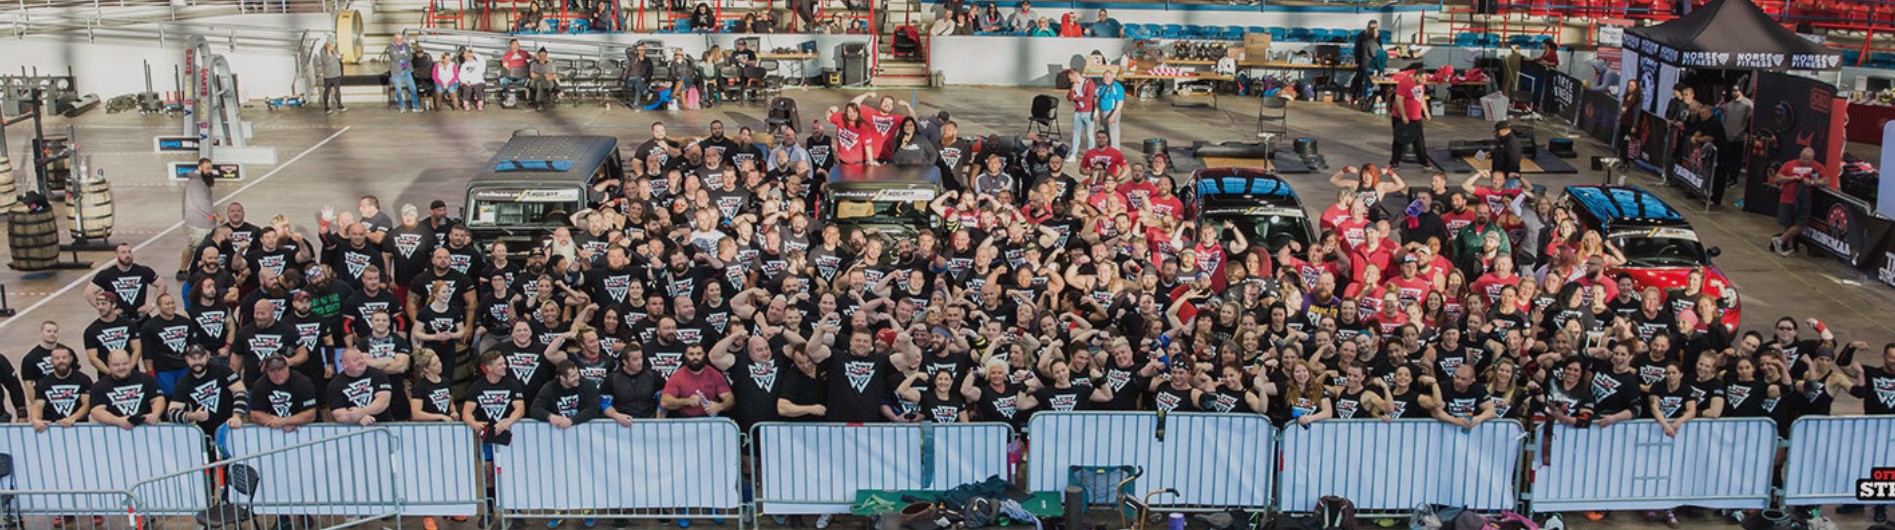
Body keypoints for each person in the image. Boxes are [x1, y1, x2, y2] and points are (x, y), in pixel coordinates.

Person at [88, 349, 167, 430]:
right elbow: (97, 411)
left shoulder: (147, 379)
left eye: (125, 363)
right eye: (116, 365)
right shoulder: (99, 386)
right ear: (109, 365)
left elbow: (158, 399)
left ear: (130, 362)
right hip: (114, 431)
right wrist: (117, 421)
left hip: (147, 429)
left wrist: (155, 414)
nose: (121, 367)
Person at [1770, 147, 1824, 256]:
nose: (1805, 161)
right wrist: (1791, 178)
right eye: (1804, 158)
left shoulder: (1817, 167)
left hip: (1804, 201)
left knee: (1801, 224)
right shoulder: (1789, 164)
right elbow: (1778, 178)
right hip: (1787, 198)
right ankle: (1790, 247)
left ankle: (1780, 240)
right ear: (1800, 156)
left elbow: (1825, 181)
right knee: (1788, 224)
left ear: (1812, 158)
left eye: (1808, 159)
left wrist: (1812, 182)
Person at [89, 242, 163, 318]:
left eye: (129, 252)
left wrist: (153, 304)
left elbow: (162, 285)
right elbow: (89, 293)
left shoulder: (143, 271)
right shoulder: (106, 274)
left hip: (140, 318)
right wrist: (106, 309)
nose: (127, 255)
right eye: (123, 252)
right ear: (117, 255)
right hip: (118, 319)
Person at [28, 345, 90, 432]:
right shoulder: (43, 383)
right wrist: (35, 419)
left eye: (64, 357)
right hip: (51, 429)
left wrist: (72, 419)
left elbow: (87, 404)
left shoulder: (83, 379)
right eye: (57, 358)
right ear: (51, 361)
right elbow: (38, 405)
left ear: (71, 359)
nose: (61, 361)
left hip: (78, 428)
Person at [660, 344, 733, 418]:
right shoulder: (677, 376)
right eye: (691, 354)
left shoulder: (715, 374)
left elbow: (730, 399)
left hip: (710, 419)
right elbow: (665, 401)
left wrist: (719, 406)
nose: (695, 357)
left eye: (699, 354)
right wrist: (687, 401)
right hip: (685, 420)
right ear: (685, 356)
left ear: (704, 355)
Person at [178, 158, 220, 282]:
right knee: (197, 247)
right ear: (199, 168)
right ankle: (185, 271)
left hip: (197, 219)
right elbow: (203, 204)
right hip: (199, 221)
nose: (209, 171)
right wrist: (214, 216)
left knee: (193, 245)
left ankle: (183, 270)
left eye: (210, 168)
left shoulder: (198, 181)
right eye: (207, 168)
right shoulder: (197, 184)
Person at [1389, 63, 1435, 170]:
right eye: (1422, 79)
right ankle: (1394, 162)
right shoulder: (1405, 83)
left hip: (1416, 116)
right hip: (1400, 116)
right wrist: (1403, 115)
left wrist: (1426, 112)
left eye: (1425, 79)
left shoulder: (1421, 84)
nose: (1424, 81)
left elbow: (1421, 98)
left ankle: (1423, 161)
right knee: (1400, 139)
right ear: (1417, 76)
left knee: (1419, 140)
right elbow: (1399, 100)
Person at [1065, 70, 1097, 161]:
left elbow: (1089, 99)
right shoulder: (1074, 85)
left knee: (1089, 135)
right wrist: (1072, 89)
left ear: (1076, 75)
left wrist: (1077, 98)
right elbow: (1069, 98)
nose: (1070, 81)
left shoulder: (1089, 83)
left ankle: (1091, 155)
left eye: (1071, 78)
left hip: (1088, 112)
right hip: (1078, 111)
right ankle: (1073, 154)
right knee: (1076, 133)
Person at [386, 33, 421, 112]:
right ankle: (401, 106)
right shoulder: (391, 47)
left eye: (401, 39)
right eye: (397, 39)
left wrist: (401, 54)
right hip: (396, 72)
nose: (399, 41)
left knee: (413, 88)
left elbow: (410, 57)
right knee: (398, 90)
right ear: (394, 39)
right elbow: (395, 58)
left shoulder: (406, 46)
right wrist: (404, 54)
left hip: (406, 70)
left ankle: (415, 106)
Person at [1094, 68, 1125, 148]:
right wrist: (1096, 112)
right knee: (1104, 134)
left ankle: (1115, 151)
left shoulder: (1117, 87)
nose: (1105, 79)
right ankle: (1106, 150)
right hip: (1103, 112)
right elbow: (1099, 99)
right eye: (1104, 77)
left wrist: (1113, 116)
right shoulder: (1103, 87)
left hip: (1111, 112)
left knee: (1113, 134)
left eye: (1107, 77)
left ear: (1112, 77)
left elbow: (1120, 103)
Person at [1351, 20, 1382, 101]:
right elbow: (1357, 49)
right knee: (1367, 82)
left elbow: (1380, 47)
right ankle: (1366, 98)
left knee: (1367, 82)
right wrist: (1357, 61)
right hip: (1366, 62)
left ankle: (1364, 98)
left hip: (1367, 62)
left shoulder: (1377, 37)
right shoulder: (1363, 37)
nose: (1376, 30)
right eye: (1374, 28)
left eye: (1376, 27)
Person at [458, 47, 488, 111]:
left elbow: (482, 59)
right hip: (467, 82)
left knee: (478, 88)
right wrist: (465, 81)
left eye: (470, 56)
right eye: (467, 56)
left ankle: (480, 103)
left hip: (478, 81)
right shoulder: (463, 65)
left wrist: (471, 52)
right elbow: (461, 76)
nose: (469, 57)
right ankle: (465, 104)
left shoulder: (478, 64)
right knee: (467, 88)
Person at [319, 41, 345, 113]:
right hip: (328, 75)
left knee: (337, 90)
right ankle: (326, 106)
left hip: (336, 74)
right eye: (332, 45)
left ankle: (339, 104)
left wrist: (339, 56)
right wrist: (329, 52)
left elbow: (339, 59)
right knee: (327, 90)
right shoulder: (323, 51)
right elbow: (327, 62)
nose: (333, 47)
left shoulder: (335, 51)